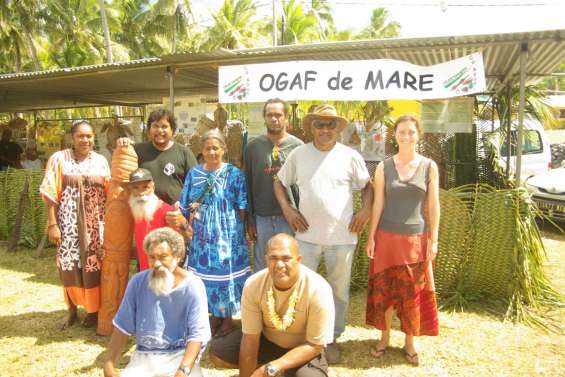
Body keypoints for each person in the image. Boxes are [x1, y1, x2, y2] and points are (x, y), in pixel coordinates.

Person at [274, 104, 373, 364]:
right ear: (312, 127)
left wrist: (365, 212)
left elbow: (368, 187)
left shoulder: (349, 156)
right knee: (299, 287)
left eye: (330, 124)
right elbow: (279, 183)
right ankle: (301, 337)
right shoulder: (299, 154)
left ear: (337, 129)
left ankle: (330, 339)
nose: (325, 129)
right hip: (305, 238)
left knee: (338, 291)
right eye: (320, 124)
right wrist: (288, 211)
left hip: (341, 239)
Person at [365, 114, 440, 366]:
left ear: (418, 135)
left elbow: (433, 205)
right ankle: (384, 339)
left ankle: (409, 344)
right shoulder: (383, 166)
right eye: (401, 132)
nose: (406, 136)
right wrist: (371, 237)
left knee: (412, 294)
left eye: (411, 132)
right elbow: (378, 204)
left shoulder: (429, 166)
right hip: (386, 239)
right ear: (394, 135)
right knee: (385, 291)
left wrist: (434, 239)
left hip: (415, 241)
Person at [208, 233, 334, 377]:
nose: (279, 265)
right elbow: (250, 338)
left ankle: (285, 369)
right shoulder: (253, 284)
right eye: (273, 258)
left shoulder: (318, 289)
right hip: (268, 341)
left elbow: (315, 345)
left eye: (286, 258)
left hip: (303, 348)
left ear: (298, 260)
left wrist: (271, 368)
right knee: (217, 354)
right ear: (266, 260)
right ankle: (278, 369)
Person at [103, 227, 211, 377]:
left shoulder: (193, 285)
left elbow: (197, 336)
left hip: (180, 356)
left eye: (163, 257)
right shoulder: (137, 282)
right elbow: (122, 327)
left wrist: (183, 371)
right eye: (152, 257)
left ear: (178, 256)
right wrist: (109, 364)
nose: (156, 263)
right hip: (144, 358)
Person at [179, 128, 250, 337]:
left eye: (216, 148)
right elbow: (184, 203)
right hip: (202, 235)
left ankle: (227, 319)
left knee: (225, 275)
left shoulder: (234, 173)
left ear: (224, 149)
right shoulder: (194, 173)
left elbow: (242, 204)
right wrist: (186, 227)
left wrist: (239, 232)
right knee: (203, 276)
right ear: (202, 150)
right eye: (208, 148)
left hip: (228, 233)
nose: (211, 152)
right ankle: (212, 316)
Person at [40, 120, 110, 329]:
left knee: (94, 267)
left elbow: (109, 193)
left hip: (95, 227)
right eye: (81, 136)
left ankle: (93, 311)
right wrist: (53, 224)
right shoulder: (59, 159)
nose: (85, 140)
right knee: (69, 266)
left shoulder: (100, 161)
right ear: (73, 137)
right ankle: (71, 310)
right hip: (68, 224)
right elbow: (50, 192)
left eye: (89, 136)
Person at [244, 98, 303, 272]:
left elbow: (302, 185)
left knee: (289, 264)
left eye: (278, 115)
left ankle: (288, 299)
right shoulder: (253, 147)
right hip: (262, 217)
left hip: (290, 217)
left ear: (286, 118)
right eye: (270, 115)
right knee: (264, 265)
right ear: (264, 118)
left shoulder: (297, 146)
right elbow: (248, 184)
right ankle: (264, 299)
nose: (274, 119)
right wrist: (250, 220)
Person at [117, 108, 197, 205]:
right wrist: (123, 144)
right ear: (149, 129)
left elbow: (195, 185)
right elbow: (121, 175)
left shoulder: (184, 153)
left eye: (164, 126)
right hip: (144, 213)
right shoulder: (137, 150)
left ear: (172, 130)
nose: (159, 130)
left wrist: (186, 210)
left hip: (174, 215)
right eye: (155, 126)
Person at [128, 168, 192, 271]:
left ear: (153, 187)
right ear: (130, 189)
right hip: (143, 273)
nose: (141, 193)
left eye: (145, 187)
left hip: (163, 274)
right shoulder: (135, 210)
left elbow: (184, 243)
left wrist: (183, 223)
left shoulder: (167, 211)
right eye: (136, 188)